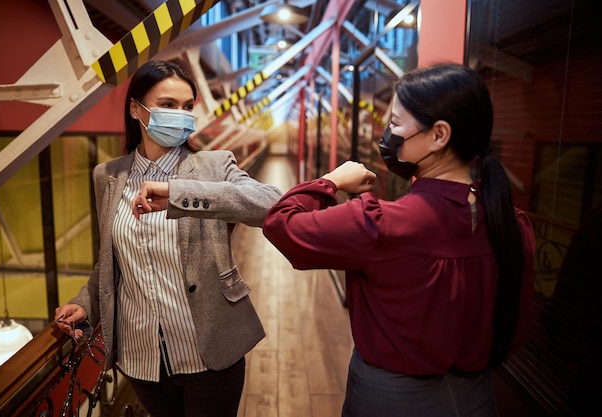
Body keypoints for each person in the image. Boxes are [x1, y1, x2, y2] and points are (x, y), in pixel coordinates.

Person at [263, 63, 536, 417]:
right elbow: (514, 331)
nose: (386, 133)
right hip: (477, 397)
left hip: (388, 400)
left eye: (394, 123)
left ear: (439, 135)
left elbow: (281, 224)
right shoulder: (512, 225)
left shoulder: (379, 223)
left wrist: (331, 180)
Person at [54, 60, 282, 417]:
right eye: (167, 105)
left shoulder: (213, 166)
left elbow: (271, 205)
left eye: (188, 107)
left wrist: (178, 192)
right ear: (135, 109)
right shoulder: (108, 176)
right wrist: (86, 303)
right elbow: (111, 258)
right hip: (142, 357)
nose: (181, 114)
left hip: (208, 350)